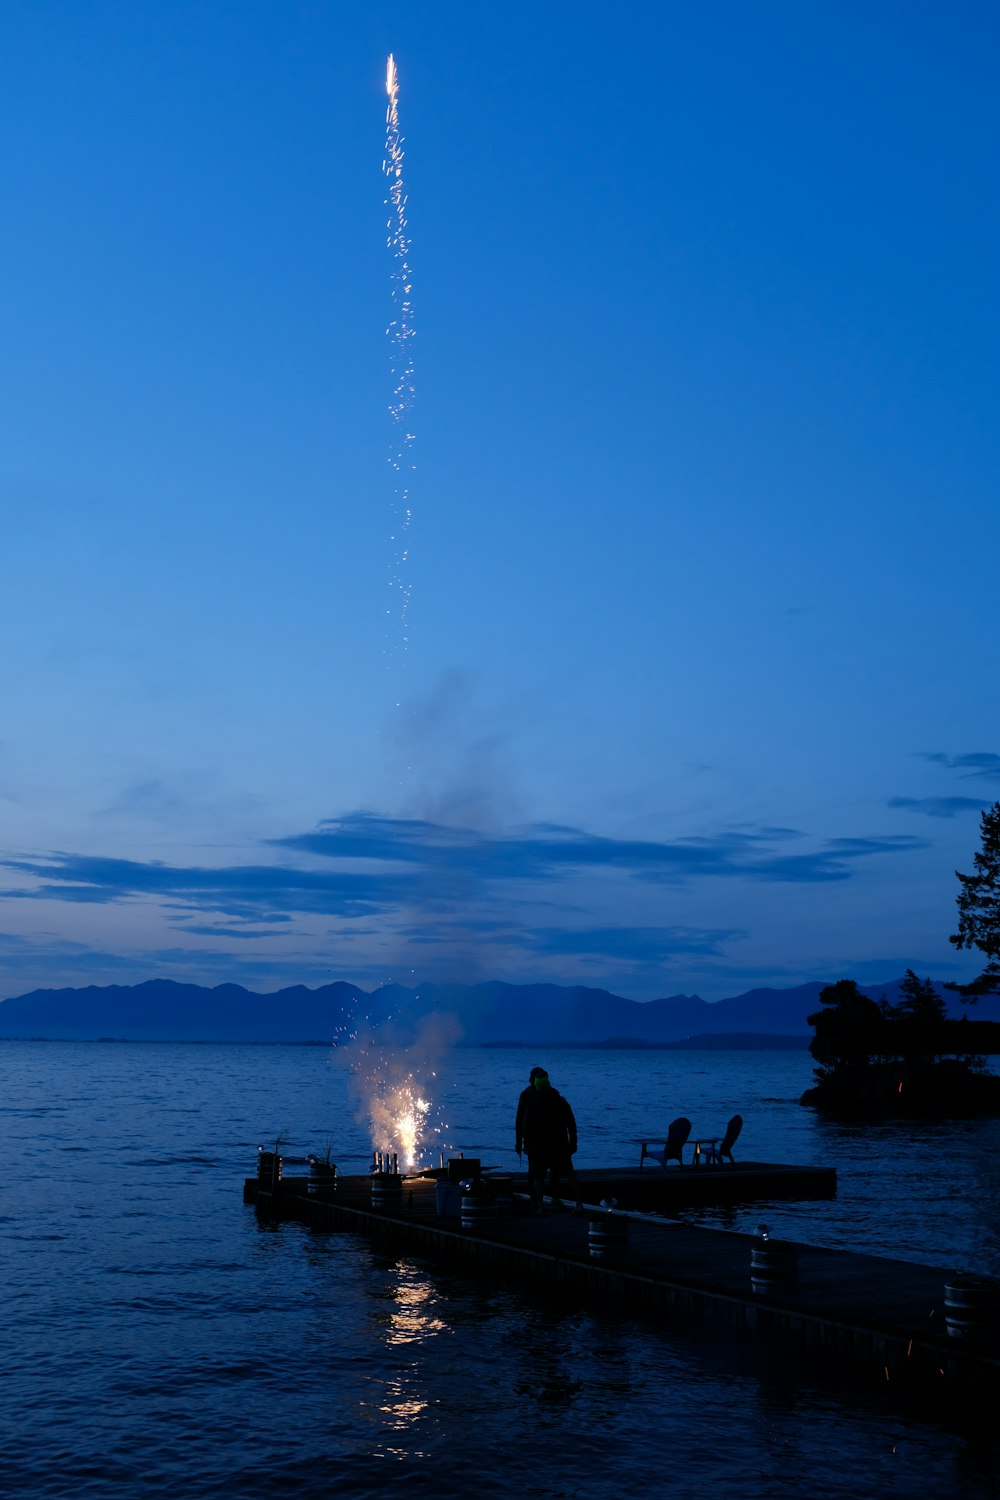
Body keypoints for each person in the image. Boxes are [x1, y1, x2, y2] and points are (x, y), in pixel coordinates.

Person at [518, 1068, 581, 1213]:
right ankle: (579, 1204)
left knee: (538, 1176)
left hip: (540, 1147)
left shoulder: (532, 1104)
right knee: (569, 1174)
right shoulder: (560, 1101)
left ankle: (540, 1207)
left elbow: (525, 1126)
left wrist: (525, 1144)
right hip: (560, 1145)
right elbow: (571, 1123)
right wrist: (573, 1142)